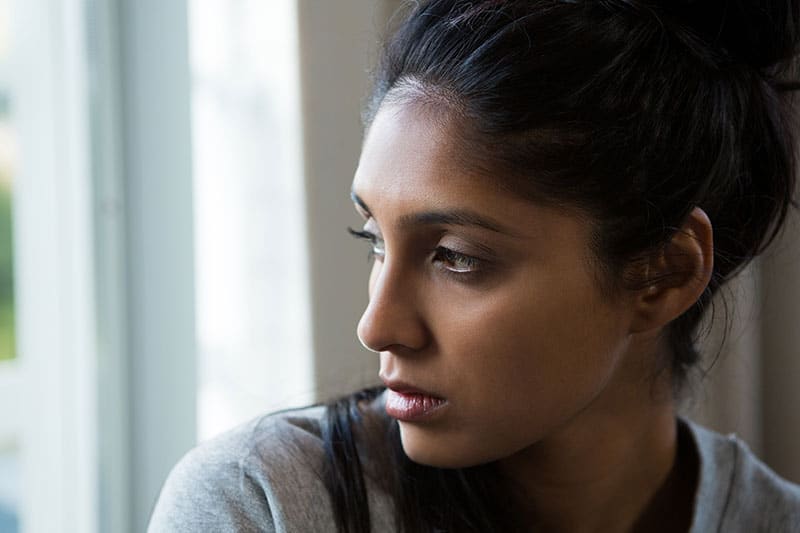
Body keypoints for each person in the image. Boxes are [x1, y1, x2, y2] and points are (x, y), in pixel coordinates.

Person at [148, 0, 800, 531]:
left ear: (664, 273)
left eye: (455, 257)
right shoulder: (264, 506)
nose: (377, 325)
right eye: (373, 237)